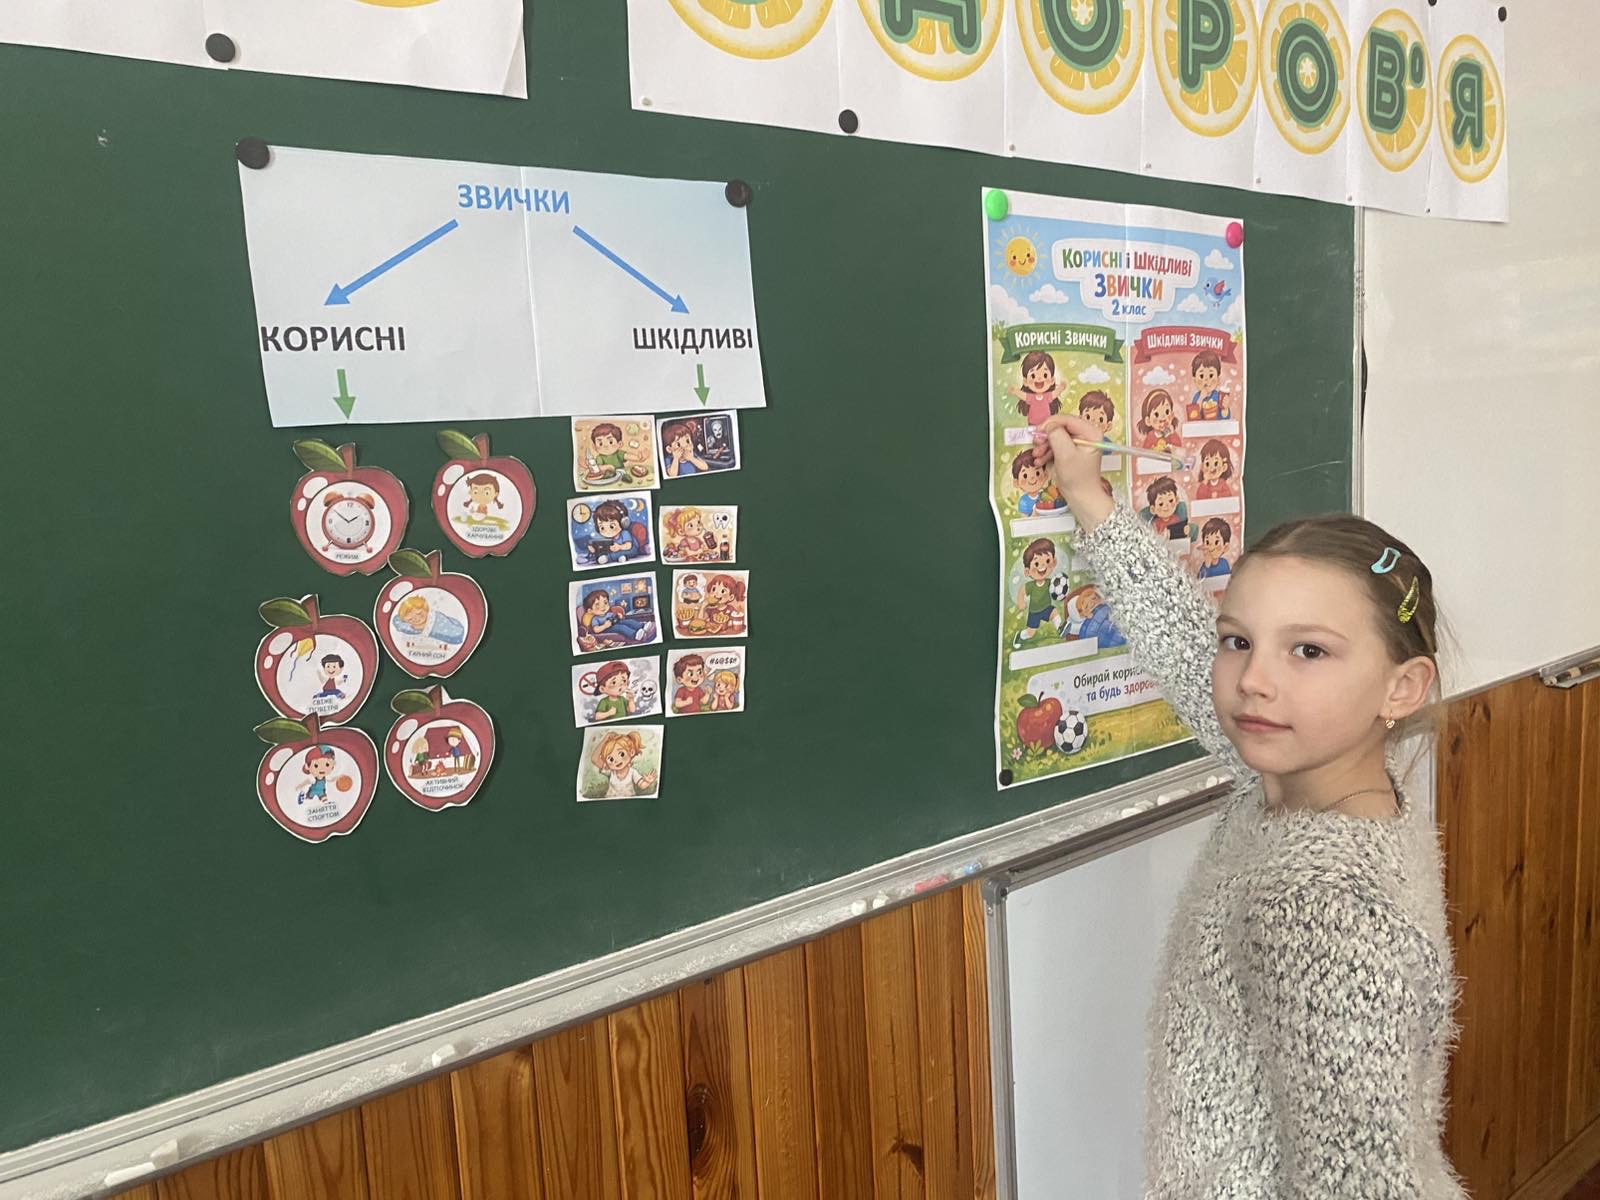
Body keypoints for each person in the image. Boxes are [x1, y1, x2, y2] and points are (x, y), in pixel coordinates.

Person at [1031, 412, 1465, 1200]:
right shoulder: (1312, 782)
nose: (1254, 680)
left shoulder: (1320, 908)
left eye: (1309, 650)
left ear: (1402, 688)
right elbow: (1184, 646)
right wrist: (1089, 498)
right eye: (1238, 641)